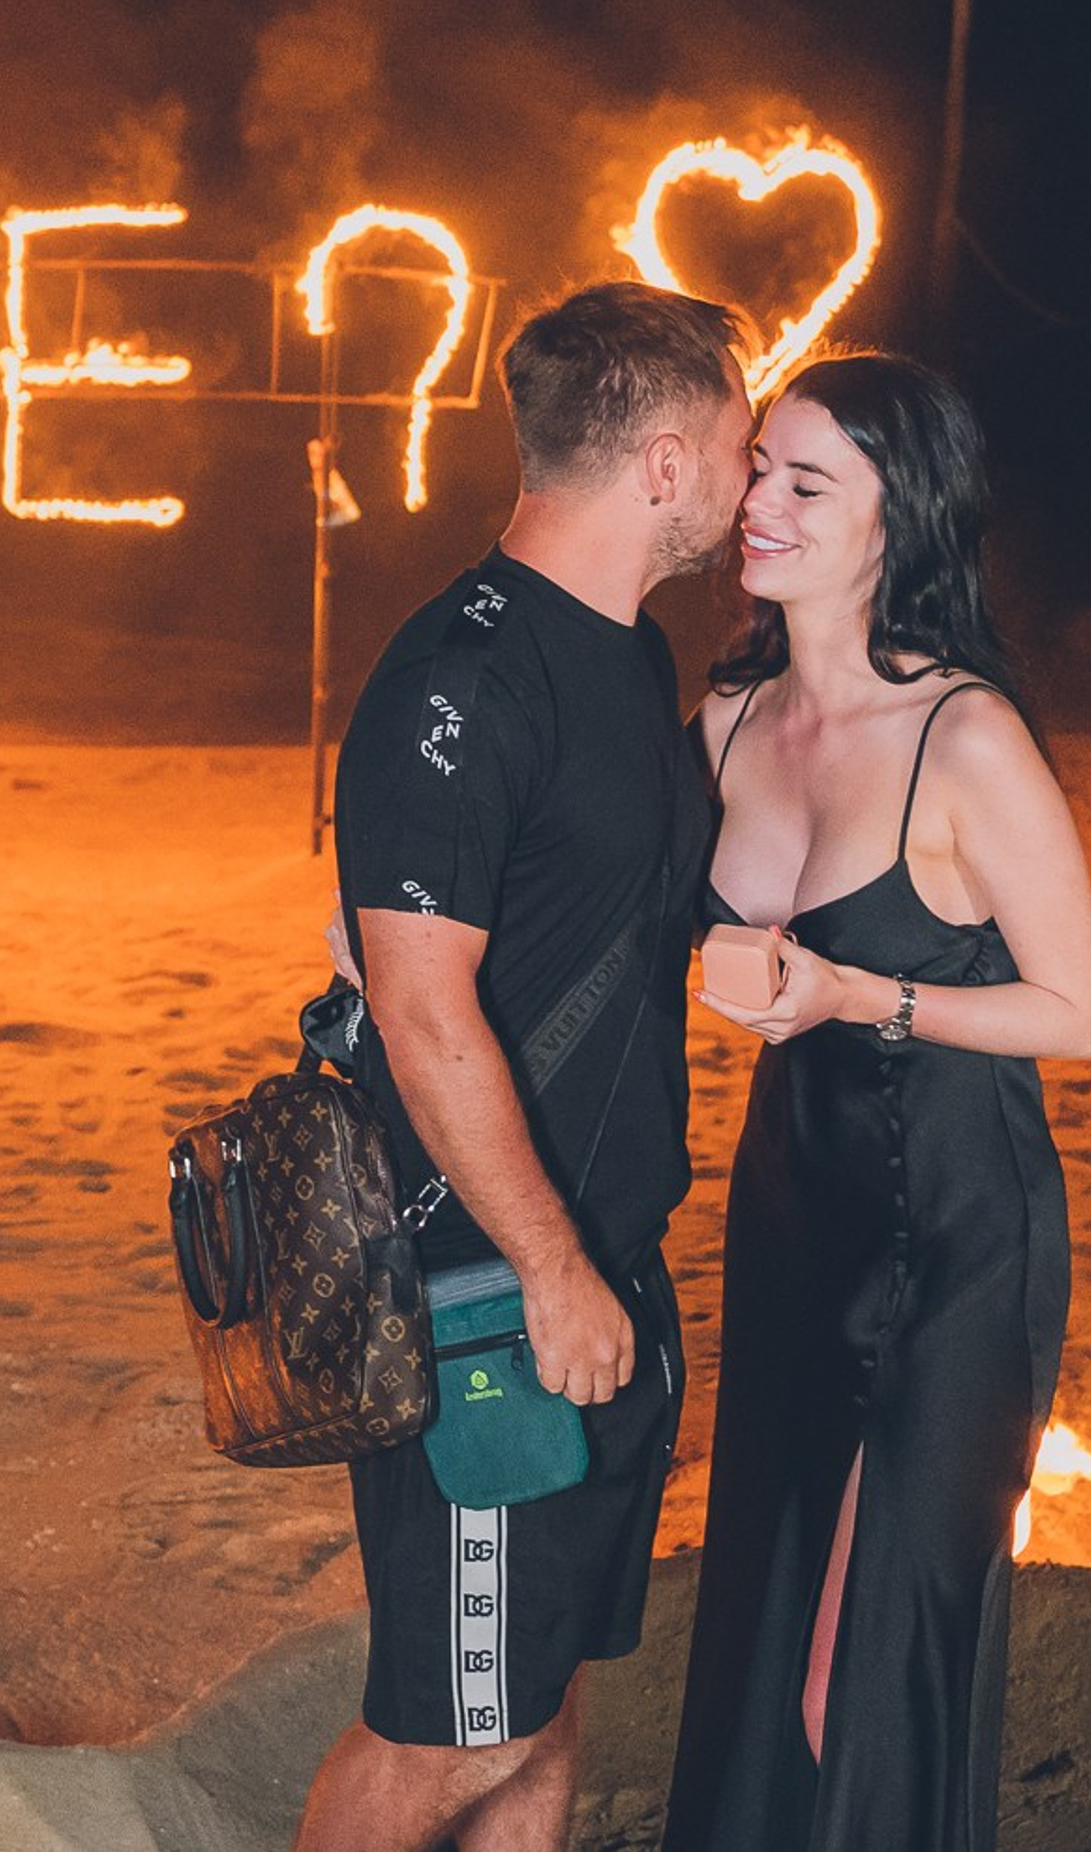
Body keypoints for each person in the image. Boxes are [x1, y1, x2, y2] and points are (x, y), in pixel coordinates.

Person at [296, 279, 753, 1852]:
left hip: (598, 1267)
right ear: (669, 465)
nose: (754, 480)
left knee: (542, 1708)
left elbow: (602, 911)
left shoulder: (624, 660)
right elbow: (425, 1017)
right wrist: (550, 1267)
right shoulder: (459, 681)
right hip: (484, 1290)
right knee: (446, 1735)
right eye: (744, 448)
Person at [664, 354, 1091, 1852]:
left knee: (860, 1679)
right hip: (794, 1219)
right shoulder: (728, 721)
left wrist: (861, 997)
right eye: (760, 471)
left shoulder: (963, 737)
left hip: (959, 1244)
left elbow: (1085, 1015)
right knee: (766, 1625)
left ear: (893, 522)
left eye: (808, 484)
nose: (761, 506)